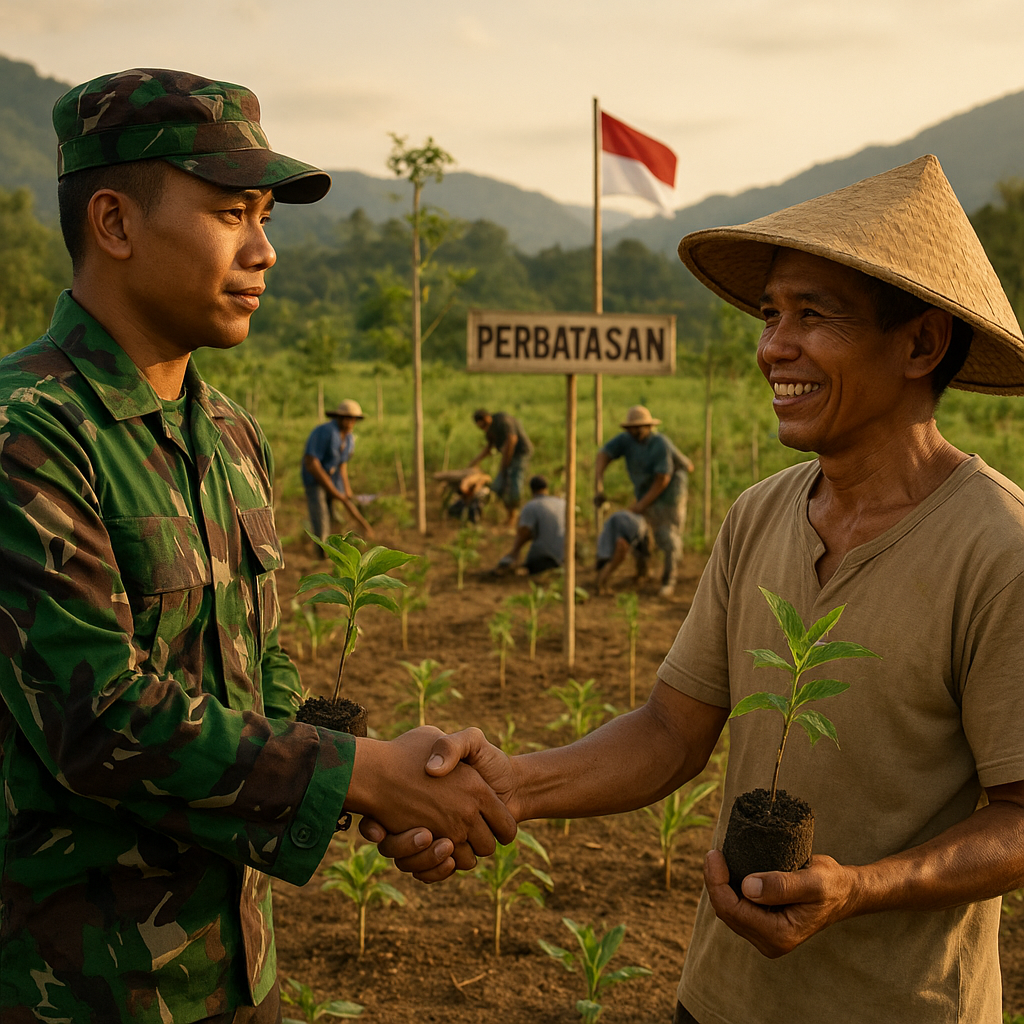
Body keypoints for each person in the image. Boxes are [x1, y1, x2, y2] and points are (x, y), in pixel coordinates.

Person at [371, 155, 1024, 1024]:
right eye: (769, 315)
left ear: (921, 343)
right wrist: (510, 788)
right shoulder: (760, 514)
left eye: (812, 316)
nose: (772, 348)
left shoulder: (998, 547)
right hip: (716, 998)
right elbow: (671, 733)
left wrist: (858, 889)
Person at [0, 68, 513, 1024]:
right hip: (76, 987)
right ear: (113, 224)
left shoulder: (229, 433)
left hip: (235, 967)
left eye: (266, 217)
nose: (265, 251)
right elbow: (96, 719)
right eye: (234, 213)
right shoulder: (28, 433)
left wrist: (376, 786)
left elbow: (255, 670)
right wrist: (365, 774)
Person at [594, 406, 694, 598]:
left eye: (639, 428)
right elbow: (603, 454)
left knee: (666, 534)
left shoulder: (660, 444)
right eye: (631, 428)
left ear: (648, 427)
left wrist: (641, 505)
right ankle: (642, 571)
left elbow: (663, 478)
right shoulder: (626, 440)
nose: (634, 431)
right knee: (639, 529)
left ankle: (668, 580)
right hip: (645, 490)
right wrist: (598, 483)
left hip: (669, 494)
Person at [301, 398, 374, 544]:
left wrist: (346, 491)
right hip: (315, 481)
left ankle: (330, 548)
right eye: (348, 419)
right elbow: (312, 463)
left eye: (354, 419)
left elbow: (342, 466)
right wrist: (334, 491)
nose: (351, 422)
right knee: (320, 517)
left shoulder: (348, 439)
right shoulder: (325, 432)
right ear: (339, 417)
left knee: (331, 516)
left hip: (331, 479)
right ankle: (321, 554)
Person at [468, 407, 533, 524]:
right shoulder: (490, 430)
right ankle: (511, 514)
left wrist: (505, 464)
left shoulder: (503, 421)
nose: (483, 429)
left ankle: (518, 516)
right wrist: (474, 462)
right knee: (498, 486)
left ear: (487, 418)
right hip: (508, 457)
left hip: (520, 454)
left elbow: (512, 440)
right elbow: (489, 447)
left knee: (515, 483)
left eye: (483, 426)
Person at [496, 475, 566, 575]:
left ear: (532, 490)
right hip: (564, 557)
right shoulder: (562, 503)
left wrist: (514, 552)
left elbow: (525, 531)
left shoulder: (531, 506)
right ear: (546, 488)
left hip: (543, 559)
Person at [594, 509, 651, 595]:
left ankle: (601, 583)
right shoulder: (638, 528)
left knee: (611, 557)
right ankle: (601, 584)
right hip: (626, 527)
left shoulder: (637, 524)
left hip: (619, 522)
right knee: (615, 560)